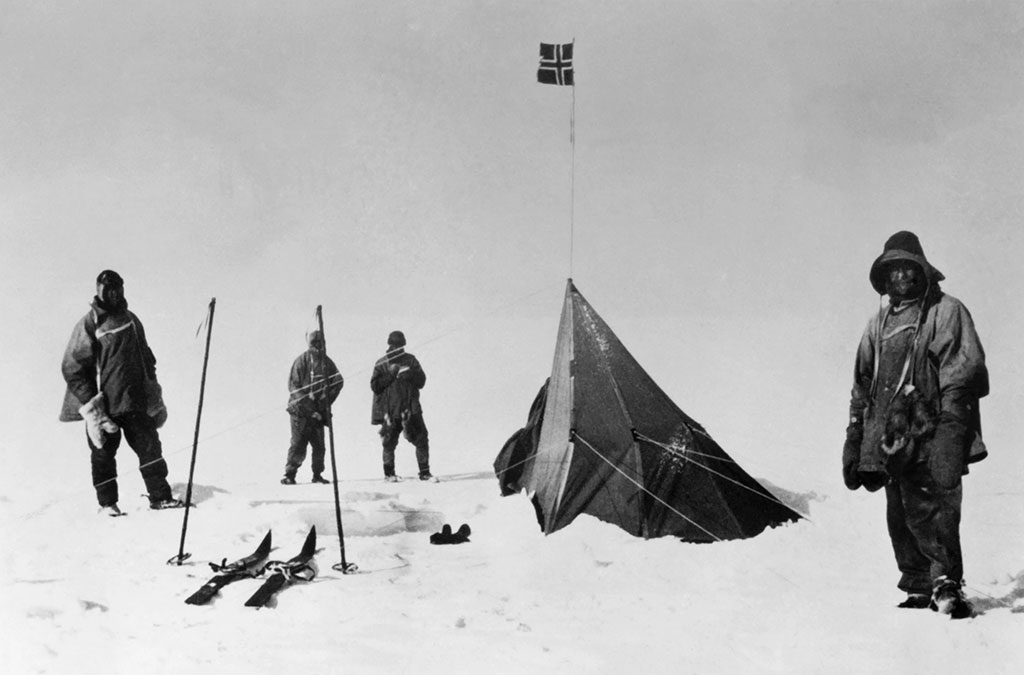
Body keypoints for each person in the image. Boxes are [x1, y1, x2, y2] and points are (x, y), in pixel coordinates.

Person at [844, 232, 988, 619]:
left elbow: (962, 373)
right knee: (899, 513)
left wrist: (951, 432)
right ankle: (918, 584)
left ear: (922, 270)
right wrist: (855, 436)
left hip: (931, 430)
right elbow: (862, 383)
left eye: (908, 267)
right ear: (884, 277)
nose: (901, 276)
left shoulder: (946, 311)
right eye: (893, 270)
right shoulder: (877, 324)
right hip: (890, 439)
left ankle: (946, 585)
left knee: (936, 510)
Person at [60, 270, 182, 516]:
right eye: (108, 289)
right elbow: (73, 366)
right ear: (99, 291)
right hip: (104, 407)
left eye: (117, 288)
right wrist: (91, 404)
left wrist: (153, 393)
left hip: (135, 402)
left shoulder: (131, 320)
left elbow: (147, 358)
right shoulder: (91, 323)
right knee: (103, 455)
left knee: (150, 448)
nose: (114, 294)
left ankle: (160, 497)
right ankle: (108, 506)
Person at [281, 329, 343, 485]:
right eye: (314, 343)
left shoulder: (327, 362)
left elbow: (338, 381)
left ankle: (317, 474)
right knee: (298, 444)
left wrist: (323, 402)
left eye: (320, 343)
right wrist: (309, 404)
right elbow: (293, 386)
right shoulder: (301, 361)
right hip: (300, 412)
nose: (317, 346)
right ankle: (290, 474)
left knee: (319, 446)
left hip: (318, 412)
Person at [370, 330, 433, 481]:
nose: (397, 348)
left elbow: (422, 381)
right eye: (394, 346)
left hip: (411, 408)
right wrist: (391, 375)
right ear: (389, 345)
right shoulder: (381, 364)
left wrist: (411, 375)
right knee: (388, 443)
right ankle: (389, 474)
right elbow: (375, 386)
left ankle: (425, 472)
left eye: (399, 346)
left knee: (421, 439)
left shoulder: (411, 360)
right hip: (390, 410)